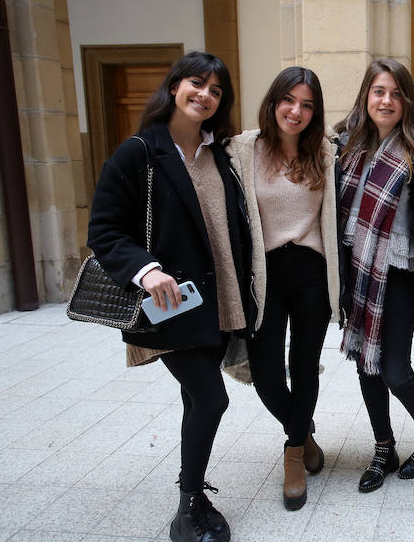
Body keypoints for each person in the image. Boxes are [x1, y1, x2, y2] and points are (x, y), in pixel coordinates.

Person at [88, 51, 247, 542]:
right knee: (212, 397)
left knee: (196, 400)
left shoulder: (220, 154)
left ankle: (192, 494)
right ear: (175, 86)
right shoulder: (139, 152)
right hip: (168, 307)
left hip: (217, 303)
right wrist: (145, 269)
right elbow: (105, 229)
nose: (205, 95)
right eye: (196, 84)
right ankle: (188, 506)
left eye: (216, 90)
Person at [223, 67, 338, 510]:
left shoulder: (325, 153)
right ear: (273, 102)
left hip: (311, 271)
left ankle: (293, 455)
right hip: (263, 275)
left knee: (304, 367)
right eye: (289, 100)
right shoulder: (242, 149)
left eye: (308, 104)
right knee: (267, 374)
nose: (297, 111)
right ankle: (304, 435)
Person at [335, 58, 414, 493]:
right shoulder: (345, 147)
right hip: (357, 269)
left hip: (399, 272)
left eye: (396, 93)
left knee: (395, 370)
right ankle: (384, 447)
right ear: (367, 95)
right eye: (379, 91)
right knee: (365, 365)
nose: (387, 100)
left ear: (407, 101)